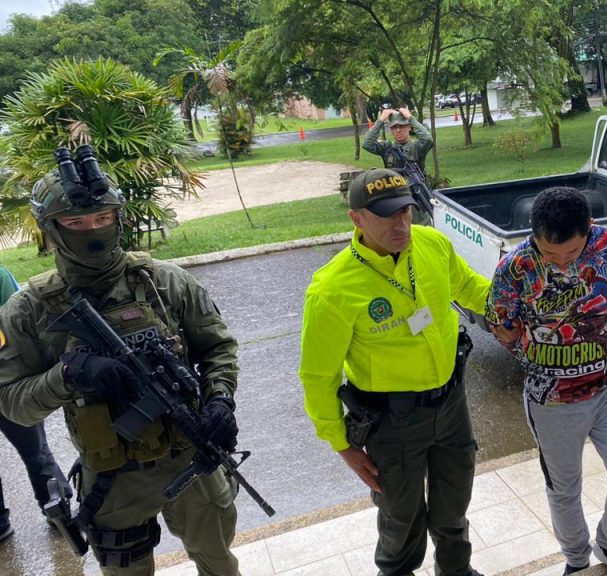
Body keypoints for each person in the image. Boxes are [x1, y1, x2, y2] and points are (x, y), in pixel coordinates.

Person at [0, 161, 242, 575]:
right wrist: (68, 375)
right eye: (75, 222)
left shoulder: (166, 283)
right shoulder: (29, 310)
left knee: (219, 562)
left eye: (102, 217)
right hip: (113, 480)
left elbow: (218, 347)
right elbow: (13, 404)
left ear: (118, 217)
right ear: (51, 228)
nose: (92, 230)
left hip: (192, 456)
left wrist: (220, 398)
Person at [299, 167, 490, 576]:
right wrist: (342, 445)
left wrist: (507, 307)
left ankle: (457, 571)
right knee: (401, 518)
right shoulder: (331, 289)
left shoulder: (432, 244)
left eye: (405, 211)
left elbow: (469, 286)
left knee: (454, 506)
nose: (401, 224)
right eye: (386, 215)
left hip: (451, 405)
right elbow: (318, 377)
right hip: (393, 422)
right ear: (356, 218)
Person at [486, 187, 607, 576]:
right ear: (533, 234)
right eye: (549, 253)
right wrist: (522, 341)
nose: (560, 262)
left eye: (571, 252)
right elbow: (500, 325)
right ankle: (576, 559)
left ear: (589, 228)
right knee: (564, 488)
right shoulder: (514, 267)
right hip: (552, 399)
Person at [0, 264, 73, 544]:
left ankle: (59, 509)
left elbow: (15, 328)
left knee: (35, 450)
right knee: (36, 451)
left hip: (9, 381)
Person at [362, 106, 434, 172]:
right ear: (391, 129)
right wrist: (381, 120)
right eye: (394, 127)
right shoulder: (387, 147)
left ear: (409, 127)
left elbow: (428, 139)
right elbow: (367, 144)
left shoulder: (417, 147)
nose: (398, 130)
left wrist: (410, 118)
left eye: (402, 126)